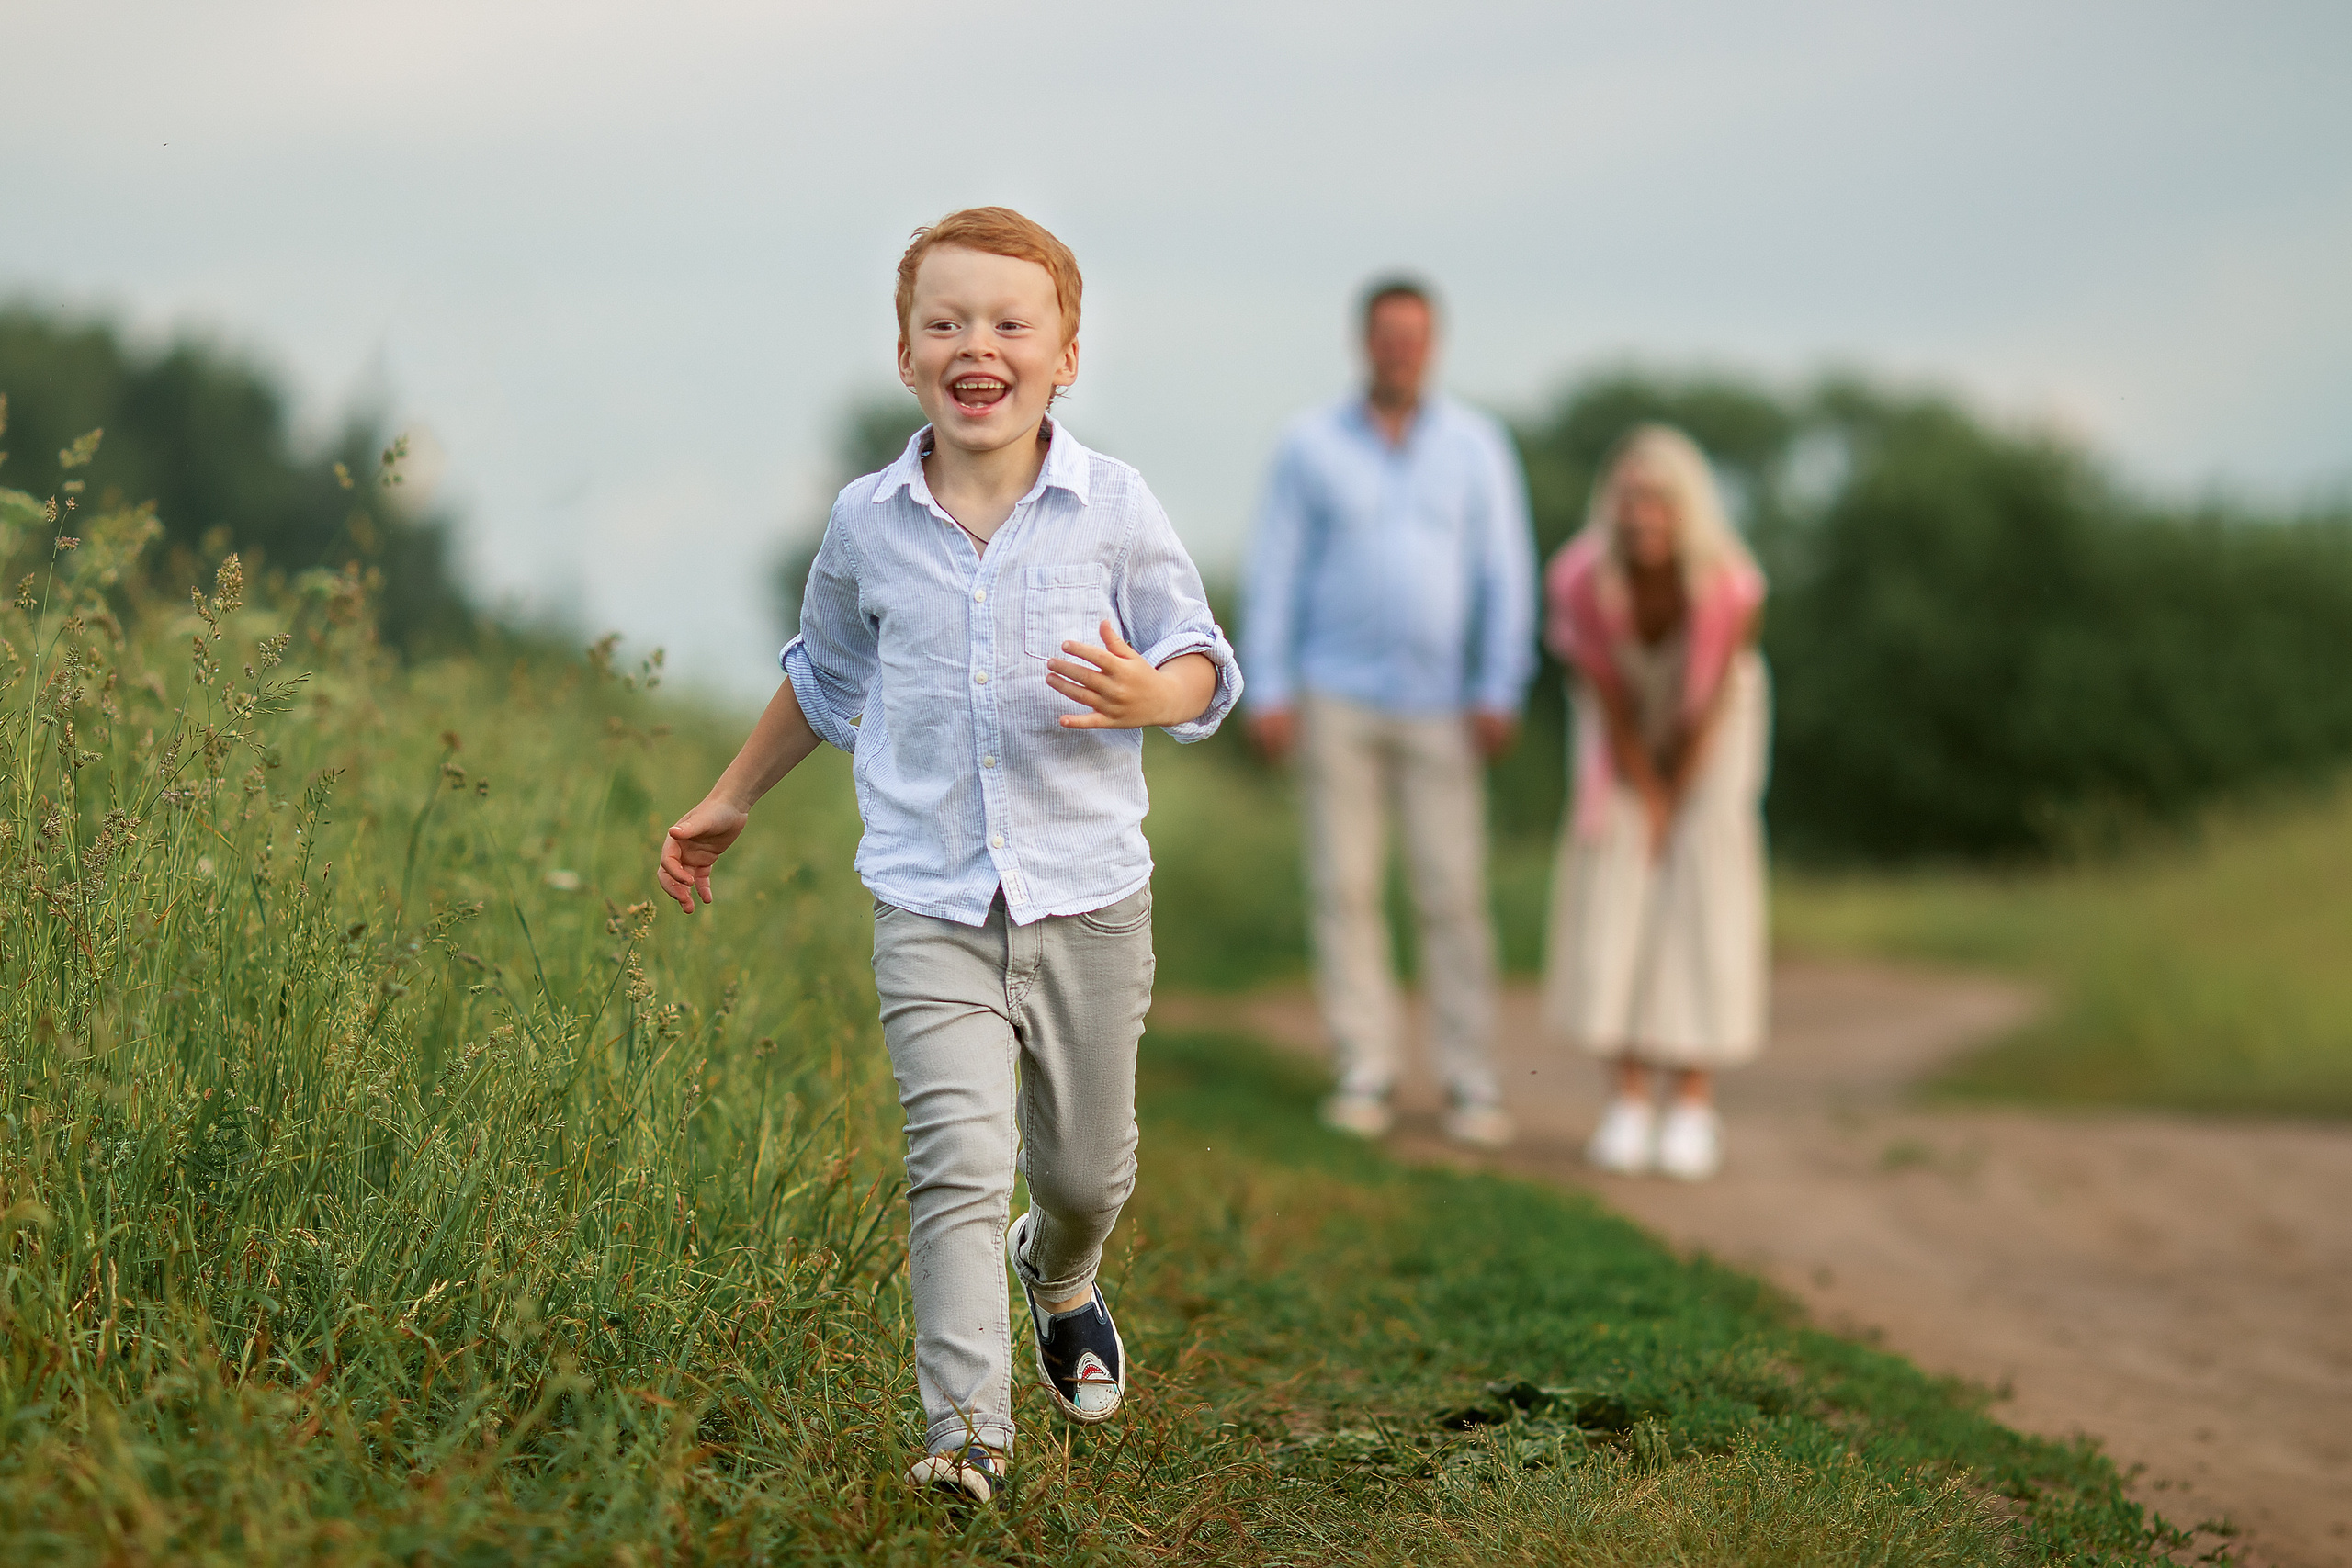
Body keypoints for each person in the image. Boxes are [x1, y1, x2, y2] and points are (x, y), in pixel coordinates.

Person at [656, 208, 1239, 1505]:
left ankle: (1066, 1270)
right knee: (956, 1163)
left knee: (1086, 1170)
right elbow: (823, 674)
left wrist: (1157, 692)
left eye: (1010, 322)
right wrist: (729, 794)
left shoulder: (1116, 506)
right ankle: (967, 1430)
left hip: (1088, 897)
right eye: (947, 322)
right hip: (930, 899)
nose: (979, 343)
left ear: (1065, 355)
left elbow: (1203, 659)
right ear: (907, 354)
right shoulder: (868, 525)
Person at [1241, 278, 1536, 1148]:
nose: (1400, 350)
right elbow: (1277, 570)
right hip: (1336, 695)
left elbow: (1504, 574)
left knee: (1452, 889)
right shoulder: (1309, 446)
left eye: (1415, 336)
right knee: (1346, 885)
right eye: (1387, 335)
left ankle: (1469, 1073)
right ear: (1362, 342)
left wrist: (1499, 684)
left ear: (1433, 343)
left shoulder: (1478, 447)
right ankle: (1363, 1063)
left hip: (1443, 701)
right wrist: (1271, 686)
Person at [1541, 424, 1770, 1181]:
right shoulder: (1578, 579)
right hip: (1621, 726)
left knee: (1702, 881)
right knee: (1616, 875)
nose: (1642, 516)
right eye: (1630, 499)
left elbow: (1707, 704)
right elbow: (1606, 696)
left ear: (1687, 508)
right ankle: (1629, 1099)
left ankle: (1694, 1102)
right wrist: (1646, 789)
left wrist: (1679, 796)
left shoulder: (1732, 584)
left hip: (1715, 724)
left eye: (1659, 501)